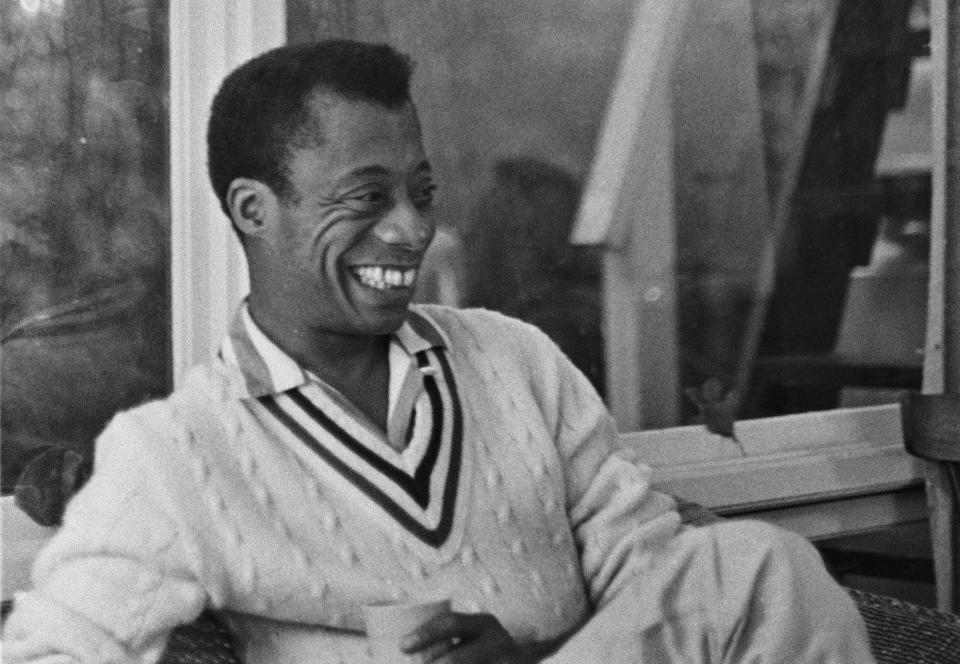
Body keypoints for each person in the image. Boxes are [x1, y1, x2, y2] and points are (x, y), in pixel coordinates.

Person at [3, 40, 876, 664]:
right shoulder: (178, 452)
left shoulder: (516, 362)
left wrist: (533, 655)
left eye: (421, 191)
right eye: (367, 196)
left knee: (761, 569)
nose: (413, 229)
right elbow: (52, 648)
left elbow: (655, 588)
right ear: (252, 209)